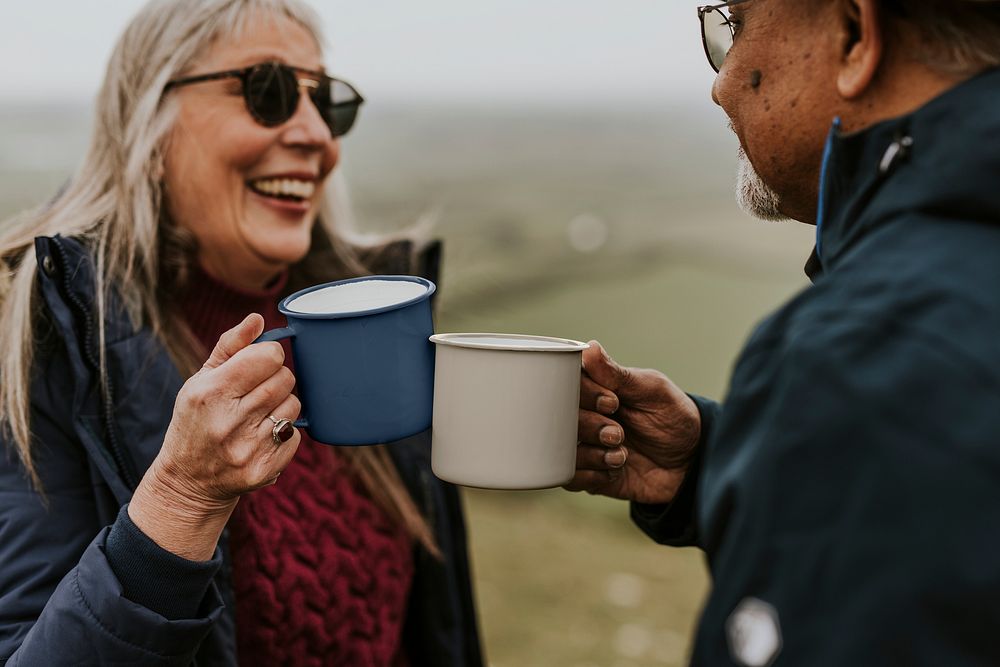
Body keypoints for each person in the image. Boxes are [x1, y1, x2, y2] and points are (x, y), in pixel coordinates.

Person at [0, 0, 481, 664]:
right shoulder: (48, 342)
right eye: (269, 91)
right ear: (151, 120)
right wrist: (180, 500)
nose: (318, 135)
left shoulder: (365, 318)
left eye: (327, 101)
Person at [569, 0, 1000, 664]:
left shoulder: (863, 361)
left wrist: (821, 425)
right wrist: (711, 466)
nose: (719, 82)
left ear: (856, 33)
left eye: (735, 23)